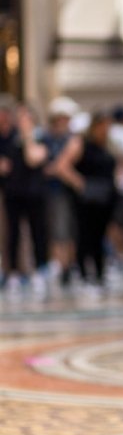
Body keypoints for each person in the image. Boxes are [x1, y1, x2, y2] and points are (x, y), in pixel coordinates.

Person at [53, 111, 117, 294]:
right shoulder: (81, 143)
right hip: (86, 200)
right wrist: (81, 184)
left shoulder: (108, 144)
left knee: (100, 236)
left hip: (105, 198)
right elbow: (61, 166)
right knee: (84, 235)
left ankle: (99, 274)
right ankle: (83, 274)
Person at [0, 103, 49, 301]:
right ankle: (12, 272)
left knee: (37, 231)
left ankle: (38, 270)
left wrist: (28, 136)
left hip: (35, 194)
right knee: (13, 233)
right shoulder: (10, 139)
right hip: (14, 193)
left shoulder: (39, 138)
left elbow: (33, 159)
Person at [42, 96, 80, 290]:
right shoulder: (47, 137)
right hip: (52, 191)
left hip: (68, 192)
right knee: (57, 230)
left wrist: (58, 169)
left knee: (68, 230)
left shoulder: (71, 138)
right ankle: (59, 265)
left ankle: (68, 266)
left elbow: (56, 166)